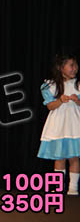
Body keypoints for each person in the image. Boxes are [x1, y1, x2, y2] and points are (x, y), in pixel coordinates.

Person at [37, 53, 80, 195]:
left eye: (75, 65)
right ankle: (57, 188)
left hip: (74, 125)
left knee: (74, 157)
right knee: (59, 157)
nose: (74, 68)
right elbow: (50, 106)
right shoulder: (51, 86)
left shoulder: (78, 85)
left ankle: (73, 189)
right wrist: (60, 100)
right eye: (71, 65)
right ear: (61, 68)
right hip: (58, 125)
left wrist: (77, 101)